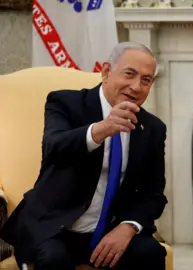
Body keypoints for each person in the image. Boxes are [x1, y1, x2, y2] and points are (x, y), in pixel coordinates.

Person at [0, 42, 168, 270]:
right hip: (55, 227)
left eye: (146, 80)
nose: (136, 87)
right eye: (129, 74)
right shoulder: (65, 102)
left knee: (150, 254)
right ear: (107, 72)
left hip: (110, 230)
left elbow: (154, 193)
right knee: (52, 259)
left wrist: (128, 227)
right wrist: (101, 129)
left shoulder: (152, 128)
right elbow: (54, 147)